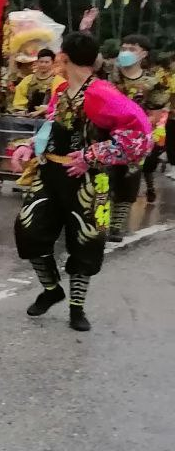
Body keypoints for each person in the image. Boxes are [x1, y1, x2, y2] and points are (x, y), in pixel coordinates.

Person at [11, 31, 152, 331]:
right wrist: (28, 146)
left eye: (59, 56)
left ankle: (77, 308)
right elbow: (51, 126)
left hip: (89, 181)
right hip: (50, 174)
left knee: (85, 240)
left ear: (63, 57)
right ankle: (52, 290)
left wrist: (93, 154)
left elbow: (141, 136)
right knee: (28, 229)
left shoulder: (102, 93)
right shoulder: (61, 90)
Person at [107, 34, 168, 215]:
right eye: (124, 48)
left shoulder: (154, 83)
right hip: (107, 133)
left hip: (136, 138)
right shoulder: (110, 75)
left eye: (132, 49)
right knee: (106, 177)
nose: (126, 52)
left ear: (143, 54)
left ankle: (118, 221)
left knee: (129, 176)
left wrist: (132, 128)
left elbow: (155, 115)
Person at [9, 48, 65, 115]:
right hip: (27, 116)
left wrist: (45, 111)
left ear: (52, 63)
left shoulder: (59, 81)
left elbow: (58, 104)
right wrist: (21, 111)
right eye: (41, 62)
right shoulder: (28, 79)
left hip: (48, 117)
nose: (43, 65)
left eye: (46, 62)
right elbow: (19, 101)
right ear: (37, 62)